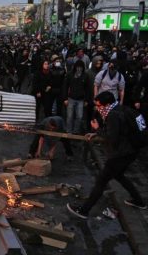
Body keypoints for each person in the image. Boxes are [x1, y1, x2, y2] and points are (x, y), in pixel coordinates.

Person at [67, 91, 147, 219]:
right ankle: (139, 201)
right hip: (132, 151)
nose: (98, 108)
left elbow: (112, 139)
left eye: (99, 106)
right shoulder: (122, 108)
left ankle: (83, 210)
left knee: (101, 181)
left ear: (107, 104)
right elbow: (118, 131)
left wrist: (97, 129)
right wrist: (98, 133)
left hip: (120, 154)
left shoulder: (113, 116)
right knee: (119, 176)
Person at [63, 60, 89, 134]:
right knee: (69, 117)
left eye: (80, 67)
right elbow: (65, 86)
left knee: (79, 117)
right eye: (78, 67)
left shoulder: (85, 75)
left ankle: (75, 131)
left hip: (81, 99)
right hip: (71, 98)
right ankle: (69, 131)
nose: (79, 68)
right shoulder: (70, 74)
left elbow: (87, 88)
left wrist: (86, 100)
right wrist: (65, 98)